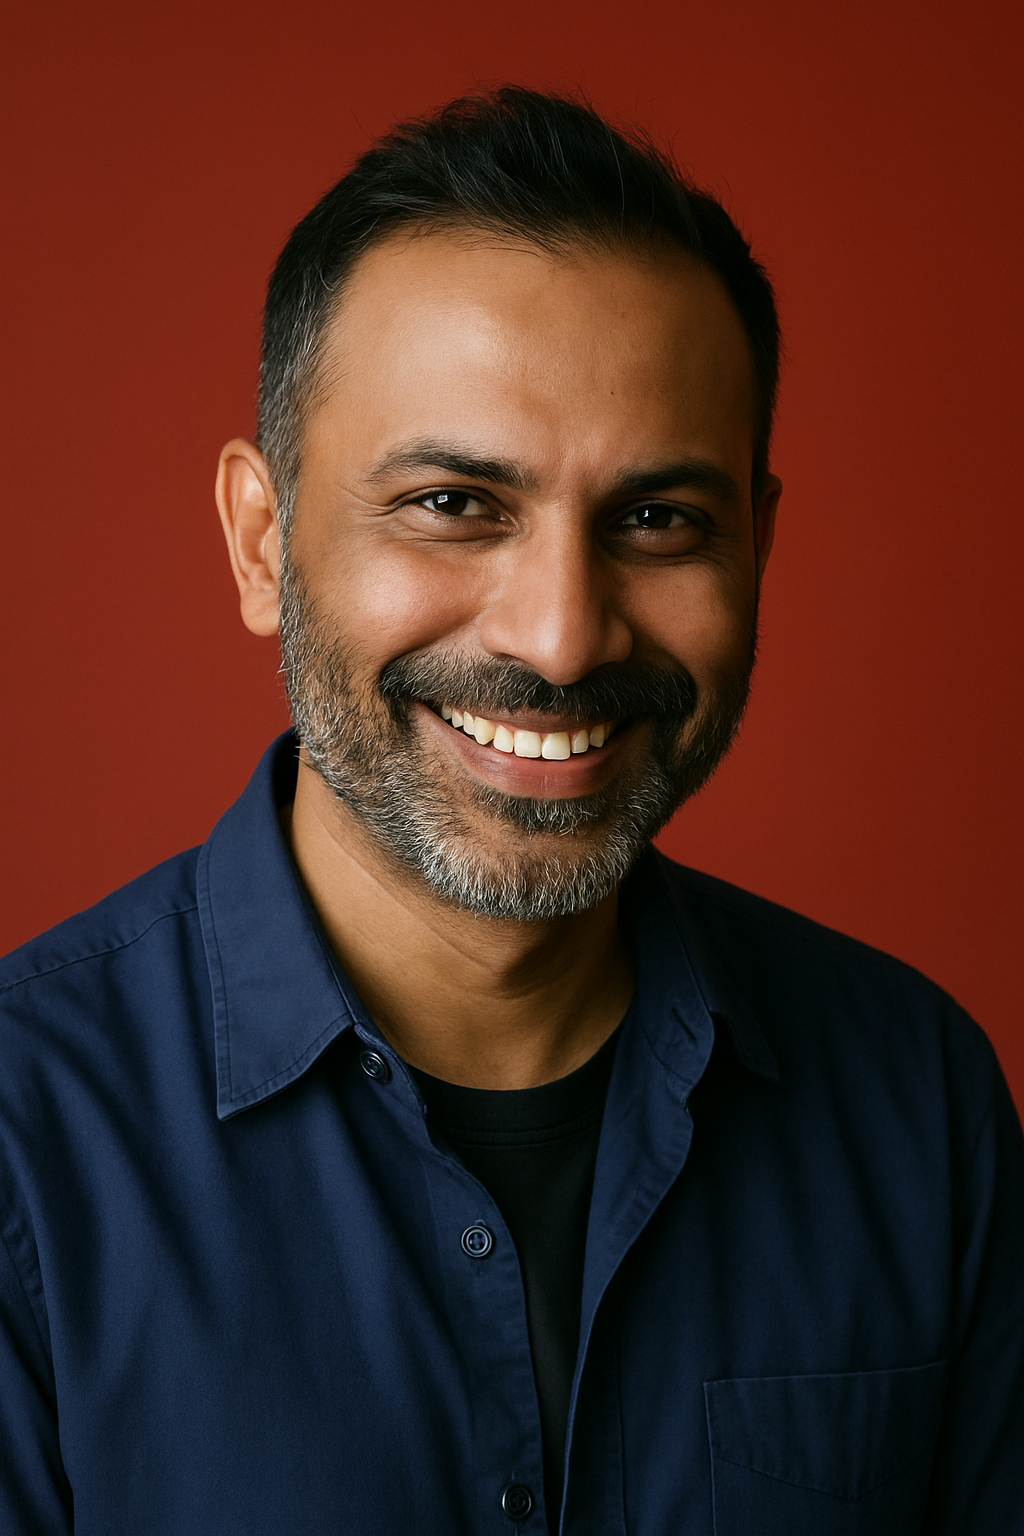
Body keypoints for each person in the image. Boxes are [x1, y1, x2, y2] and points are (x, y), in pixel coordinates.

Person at [0, 87, 1021, 1536]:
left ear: (759, 546)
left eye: (659, 520)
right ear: (263, 542)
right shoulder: (24, 1144)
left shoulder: (919, 1104)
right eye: (454, 503)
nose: (560, 638)